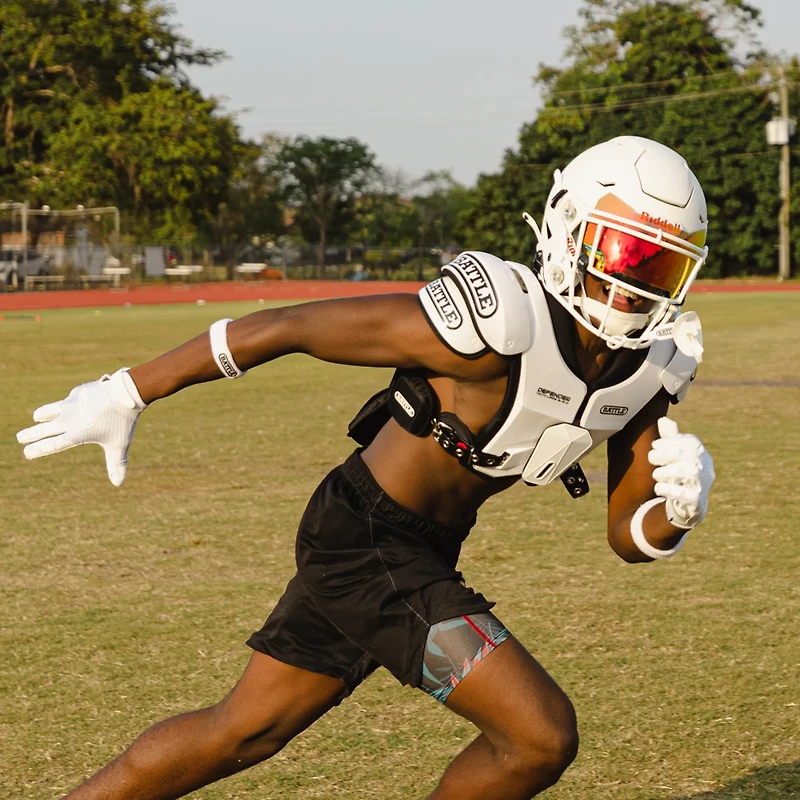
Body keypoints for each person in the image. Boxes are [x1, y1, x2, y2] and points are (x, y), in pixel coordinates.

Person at [17, 135, 715, 800]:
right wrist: (128, 390)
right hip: (364, 538)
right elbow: (287, 327)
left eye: (658, 267)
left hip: (419, 546)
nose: (632, 286)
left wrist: (678, 511)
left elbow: (630, 536)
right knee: (538, 737)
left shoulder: (648, 371)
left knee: (244, 729)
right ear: (568, 230)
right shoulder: (499, 326)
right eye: (624, 254)